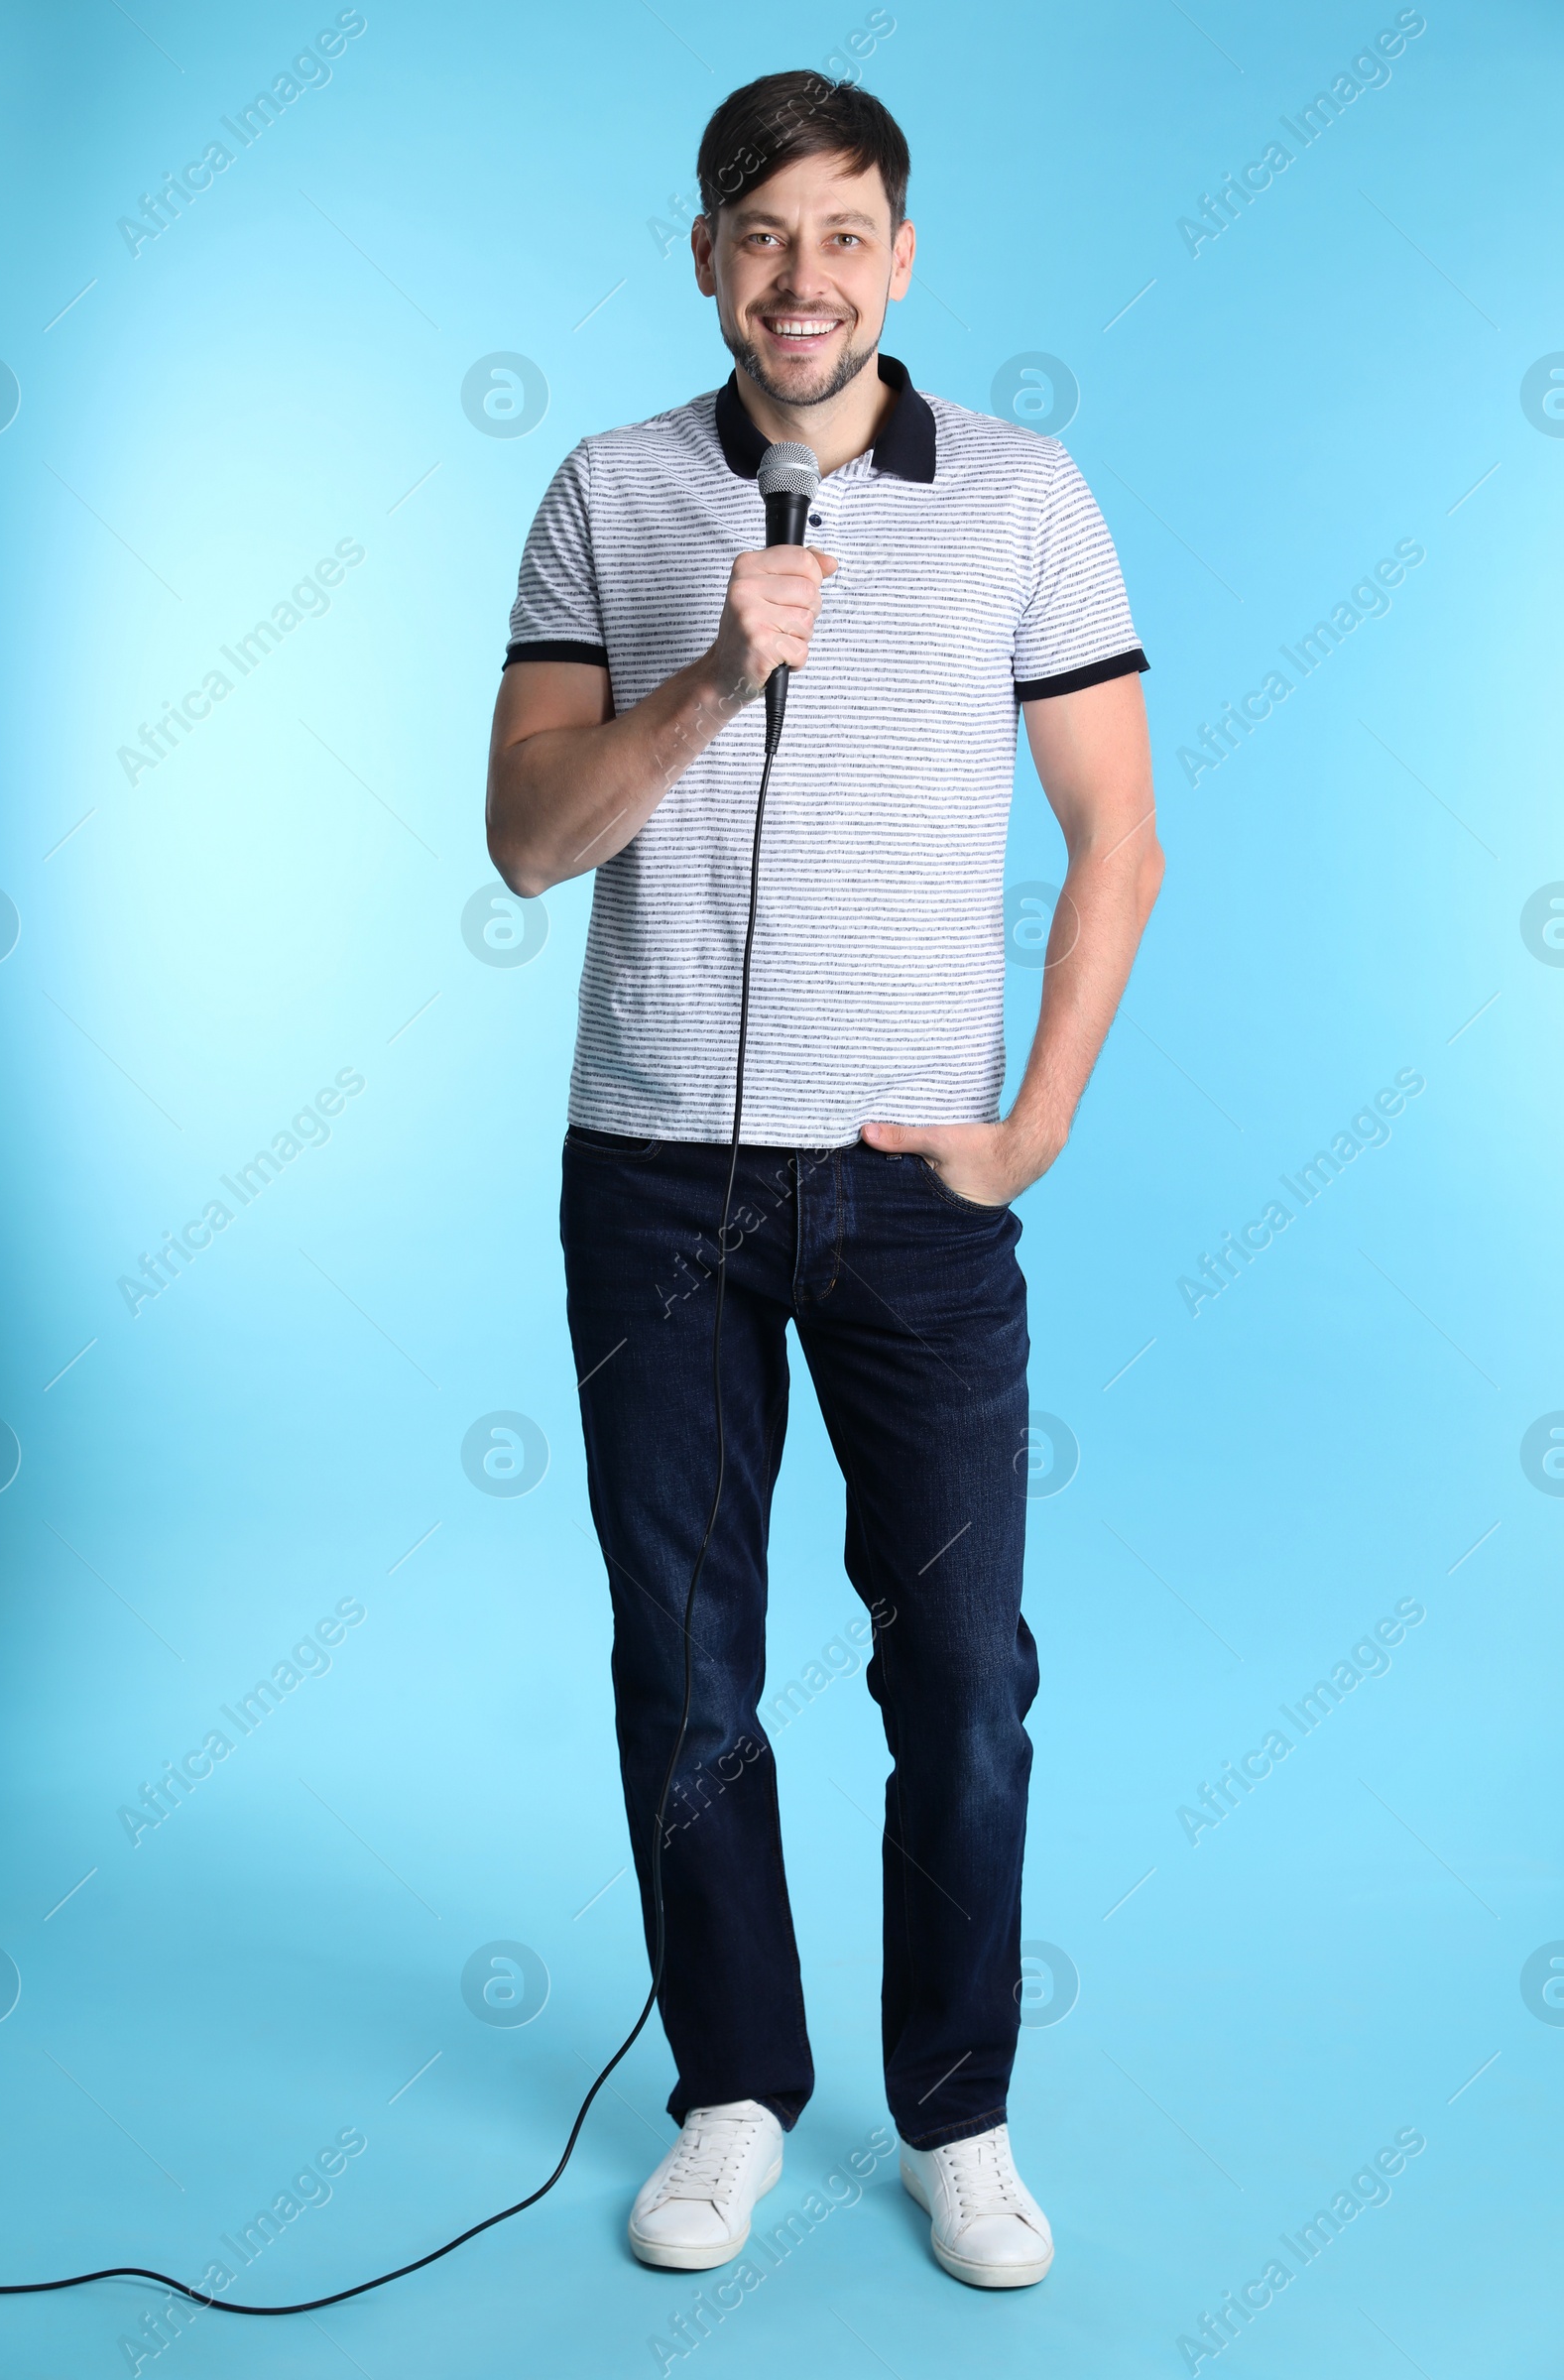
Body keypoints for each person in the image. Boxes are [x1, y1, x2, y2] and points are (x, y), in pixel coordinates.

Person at [485, 69, 1161, 2292]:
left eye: (843, 230)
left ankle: (953, 2113)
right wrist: (709, 670)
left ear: (901, 257)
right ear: (703, 256)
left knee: (959, 1665)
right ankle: (730, 2094)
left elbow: (1113, 838)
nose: (803, 274)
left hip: (907, 1191)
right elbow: (527, 838)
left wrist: (1033, 1120)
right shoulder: (604, 491)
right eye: (759, 231)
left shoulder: (1024, 497)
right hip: (654, 1177)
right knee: (684, 1671)